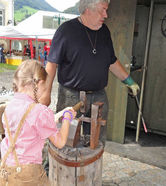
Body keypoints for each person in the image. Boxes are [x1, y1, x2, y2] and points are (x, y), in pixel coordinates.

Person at [44, 0, 139, 144]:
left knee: (96, 142)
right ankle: (54, 165)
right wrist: (45, 93)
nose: (106, 15)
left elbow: (111, 61)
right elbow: (52, 63)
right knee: (64, 142)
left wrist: (129, 81)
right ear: (88, 9)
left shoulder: (104, 31)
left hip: (99, 96)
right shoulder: (66, 31)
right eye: (103, 10)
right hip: (70, 96)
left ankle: (91, 166)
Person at [0, 60, 76, 186]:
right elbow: (60, 142)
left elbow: (29, 125)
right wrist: (67, 118)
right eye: (44, 88)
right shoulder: (39, 111)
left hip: (6, 170)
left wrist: (58, 114)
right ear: (38, 84)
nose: (43, 91)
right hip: (27, 175)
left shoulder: (9, 107)